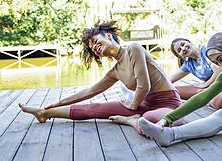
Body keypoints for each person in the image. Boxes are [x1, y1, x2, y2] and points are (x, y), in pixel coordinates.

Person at [19, 21, 183, 134]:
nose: (96, 48)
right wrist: (58, 102)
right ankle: (44, 113)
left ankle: (131, 120)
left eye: (97, 41)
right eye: (93, 48)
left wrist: (132, 107)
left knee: (148, 120)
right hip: (142, 104)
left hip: (168, 103)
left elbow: (144, 86)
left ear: (109, 36)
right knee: (93, 108)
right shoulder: (116, 71)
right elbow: (90, 91)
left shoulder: (133, 49)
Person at [169, 38, 222, 109]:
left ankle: (205, 99)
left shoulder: (206, 50)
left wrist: (205, 84)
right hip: (208, 90)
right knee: (172, 91)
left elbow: (218, 71)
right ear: (180, 56)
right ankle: (205, 97)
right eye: (179, 50)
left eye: (183, 44)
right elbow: (169, 80)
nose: (183, 48)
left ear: (189, 42)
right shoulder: (188, 63)